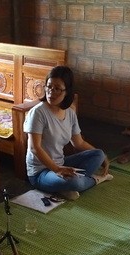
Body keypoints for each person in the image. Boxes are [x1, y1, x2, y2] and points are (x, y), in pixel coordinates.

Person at [24, 65, 112, 201]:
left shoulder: (70, 113)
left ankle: (66, 187)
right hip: (41, 173)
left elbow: (79, 143)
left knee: (98, 154)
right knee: (75, 182)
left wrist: (104, 157)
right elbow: (34, 148)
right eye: (49, 86)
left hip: (61, 163)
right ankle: (95, 180)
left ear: (67, 91)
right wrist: (57, 170)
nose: (51, 92)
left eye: (57, 89)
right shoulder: (38, 113)